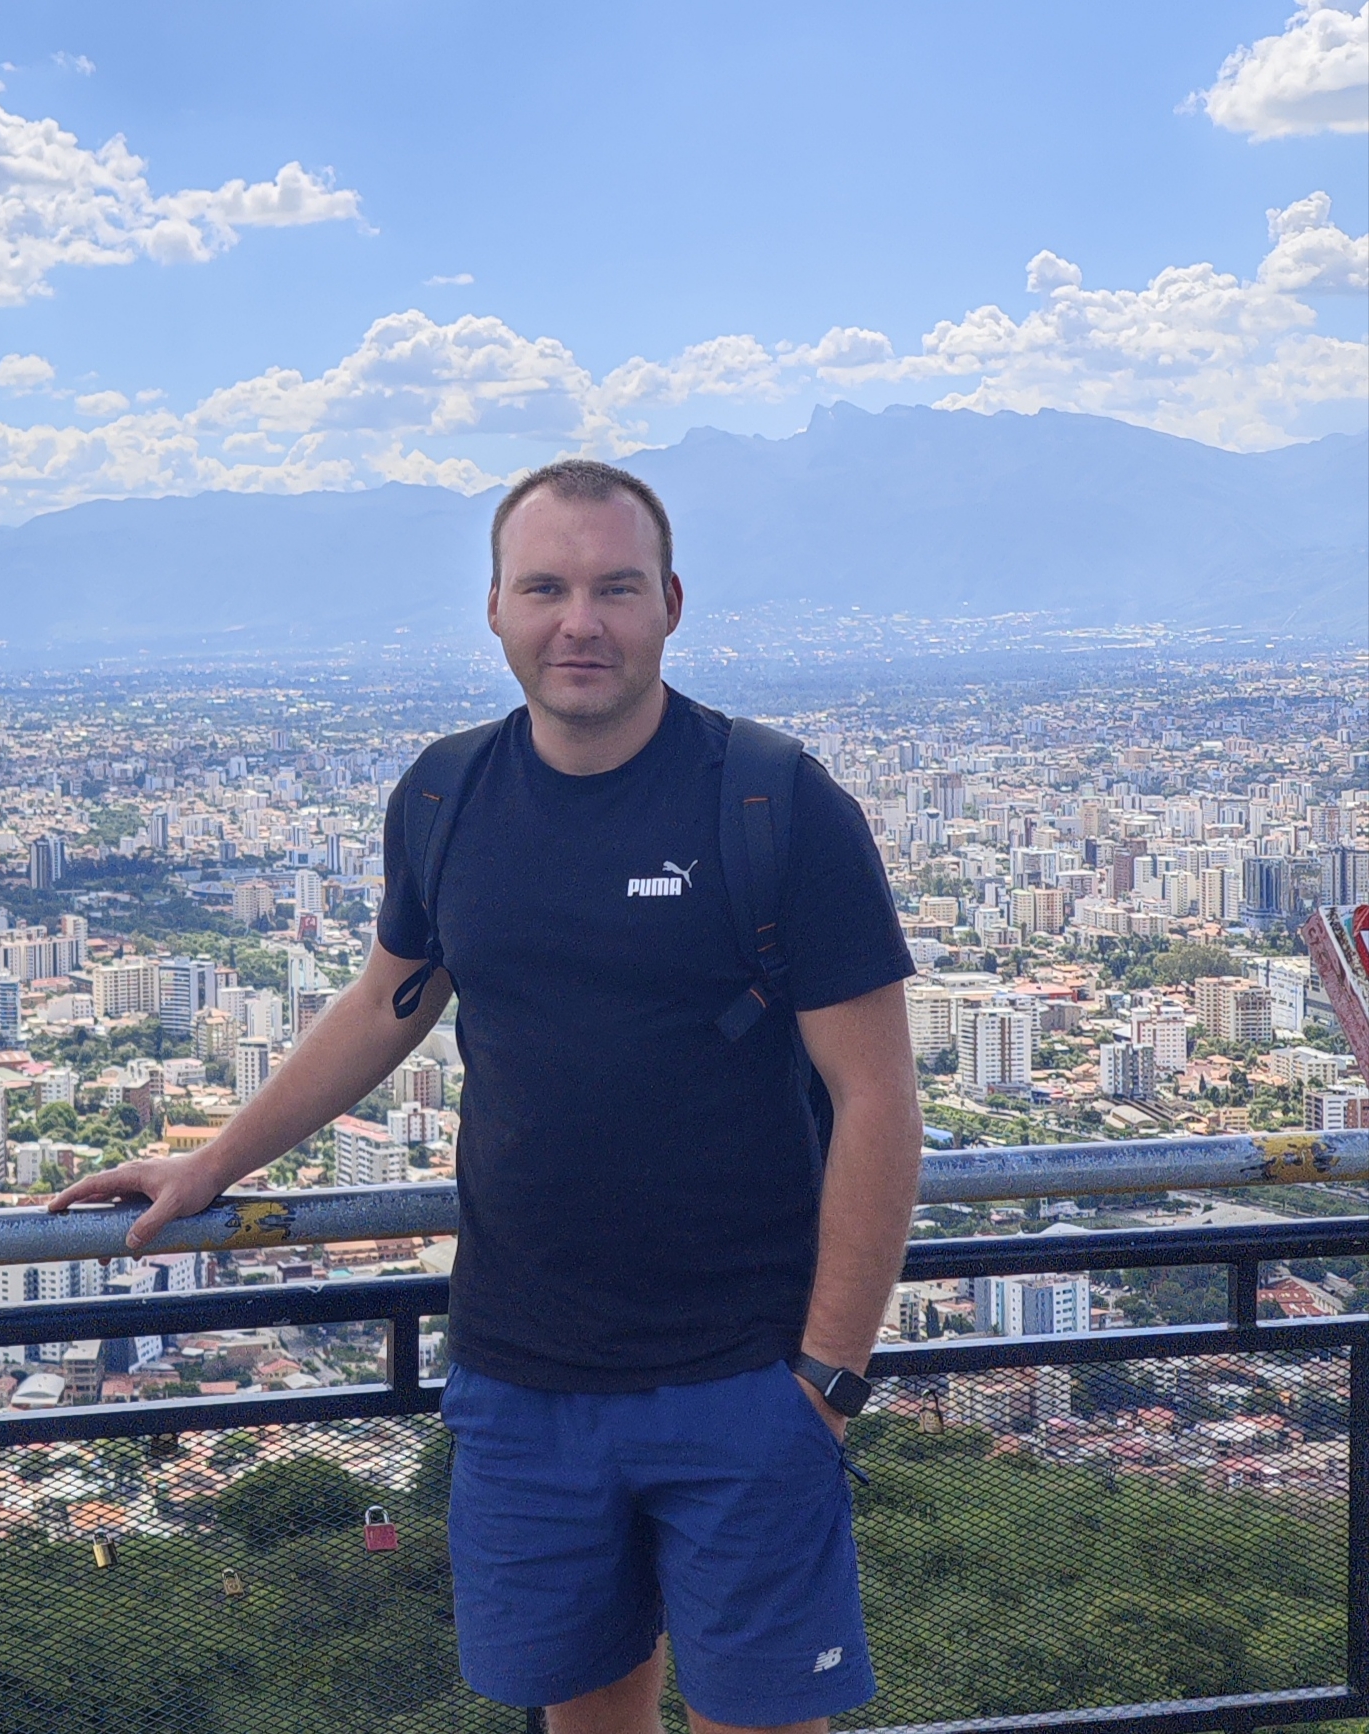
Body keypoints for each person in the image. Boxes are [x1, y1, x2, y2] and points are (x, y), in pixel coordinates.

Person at [50, 459, 923, 1734]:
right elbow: (384, 1002)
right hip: (522, 1378)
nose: (580, 622)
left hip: (741, 1371)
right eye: (546, 588)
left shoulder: (770, 800)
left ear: (670, 604)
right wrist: (211, 1165)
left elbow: (876, 1095)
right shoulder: (446, 794)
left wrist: (827, 1374)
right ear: (496, 610)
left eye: (614, 588)